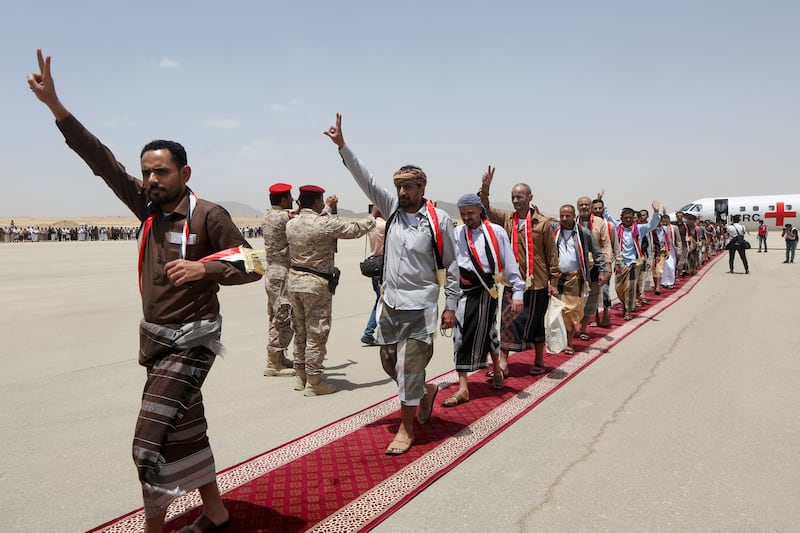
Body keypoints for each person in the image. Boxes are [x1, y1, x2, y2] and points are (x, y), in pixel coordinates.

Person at [28, 49, 262, 533]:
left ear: (185, 173)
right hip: (155, 340)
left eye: (162, 172)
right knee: (186, 425)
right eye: (148, 172)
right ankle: (216, 511)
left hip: (194, 340)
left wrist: (206, 271)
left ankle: (154, 528)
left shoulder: (208, 215)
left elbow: (254, 263)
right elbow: (101, 162)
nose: (152, 180)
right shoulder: (147, 206)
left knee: (148, 442)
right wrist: (57, 108)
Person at [324, 113, 460, 456]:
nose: (401, 191)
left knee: (409, 366)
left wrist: (450, 306)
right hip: (390, 304)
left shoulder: (438, 220)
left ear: (421, 188)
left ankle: (406, 428)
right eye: (398, 186)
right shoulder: (392, 210)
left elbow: (452, 266)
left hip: (421, 305)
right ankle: (426, 392)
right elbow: (365, 179)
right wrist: (343, 146)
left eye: (408, 187)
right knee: (389, 361)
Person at [286, 186, 375, 396]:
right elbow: (353, 230)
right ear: (317, 202)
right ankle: (314, 382)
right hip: (315, 285)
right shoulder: (322, 224)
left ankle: (301, 376)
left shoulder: (291, 223)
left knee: (300, 331)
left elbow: (322, 223)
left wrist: (328, 208)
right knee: (316, 332)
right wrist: (372, 217)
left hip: (294, 282)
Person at [479, 168, 560, 376]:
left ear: (530, 198)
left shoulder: (542, 223)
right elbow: (484, 208)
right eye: (513, 197)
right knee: (506, 321)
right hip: (512, 282)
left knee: (536, 323)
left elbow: (552, 254)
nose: (515, 200)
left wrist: (554, 282)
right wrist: (486, 188)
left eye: (520, 196)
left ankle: (539, 360)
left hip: (538, 283)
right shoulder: (507, 219)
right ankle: (504, 364)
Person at [446, 192, 525, 402]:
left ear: (480, 210)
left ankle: (498, 370)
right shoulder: (457, 233)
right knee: (460, 336)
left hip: (487, 292)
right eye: (463, 214)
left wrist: (518, 293)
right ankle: (463, 387)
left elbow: (509, 263)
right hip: (463, 291)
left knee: (490, 332)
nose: (466, 217)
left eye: (470, 213)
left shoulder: (496, 232)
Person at [552, 204, 606, 354]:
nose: (564, 218)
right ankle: (558, 339)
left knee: (572, 312)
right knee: (559, 311)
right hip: (556, 278)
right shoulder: (554, 231)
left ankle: (569, 342)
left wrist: (602, 270)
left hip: (575, 277)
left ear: (573, 215)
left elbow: (598, 253)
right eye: (561, 215)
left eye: (567, 216)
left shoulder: (583, 233)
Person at [601, 198, 662, 321]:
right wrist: (601, 201)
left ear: (633, 218)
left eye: (630, 218)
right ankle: (625, 304)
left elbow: (652, 225)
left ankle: (628, 311)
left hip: (634, 263)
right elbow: (607, 216)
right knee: (619, 288)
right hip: (620, 263)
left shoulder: (639, 228)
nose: (628, 220)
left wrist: (656, 212)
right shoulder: (617, 226)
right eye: (626, 218)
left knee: (630, 288)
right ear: (622, 218)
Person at [261, 182, 297, 377]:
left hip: (272, 271)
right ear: (283, 200)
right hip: (283, 272)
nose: (292, 200)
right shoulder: (285, 217)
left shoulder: (267, 215)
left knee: (275, 314)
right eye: (290, 197)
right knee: (284, 314)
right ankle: (273, 362)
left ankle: (279, 356)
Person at [575, 196, 612, 341]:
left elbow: (605, 244)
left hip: (594, 266)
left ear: (590, 207)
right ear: (578, 207)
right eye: (581, 205)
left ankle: (583, 328)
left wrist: (607, 265)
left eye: (586, 205)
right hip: (577, 267)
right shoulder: (573, 222)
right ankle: (572, 327)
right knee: (575, 299)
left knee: (591, 299)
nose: (584, 207)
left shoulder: (599, 222)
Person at [361, 205, 386, 346]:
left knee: (379, 298)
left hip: (373, 264)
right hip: (384, 265)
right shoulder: (385, 225)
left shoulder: (371, 225)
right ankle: (369, 331)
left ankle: (371, 332)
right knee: (382, 301)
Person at [591, 197, 618, 328]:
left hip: (606, 262)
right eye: (594, 208)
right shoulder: (588, 225)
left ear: (603, 209)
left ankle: (606, 312)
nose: (597, 210)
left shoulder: (610, 226)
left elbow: (615, 245)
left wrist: (616, 261)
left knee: (605, 290)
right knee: (594, 291)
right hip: (591, 263)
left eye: (599, 208)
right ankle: (596, 317)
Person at [653, 210, 680, 291]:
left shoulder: (665, 228)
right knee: (660, 268)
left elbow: (668, 239)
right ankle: (662, 283)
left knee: (670, 266)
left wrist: (670, 250)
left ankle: (670, 283)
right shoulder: (652, 229)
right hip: (655, 250)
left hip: (666, 249)